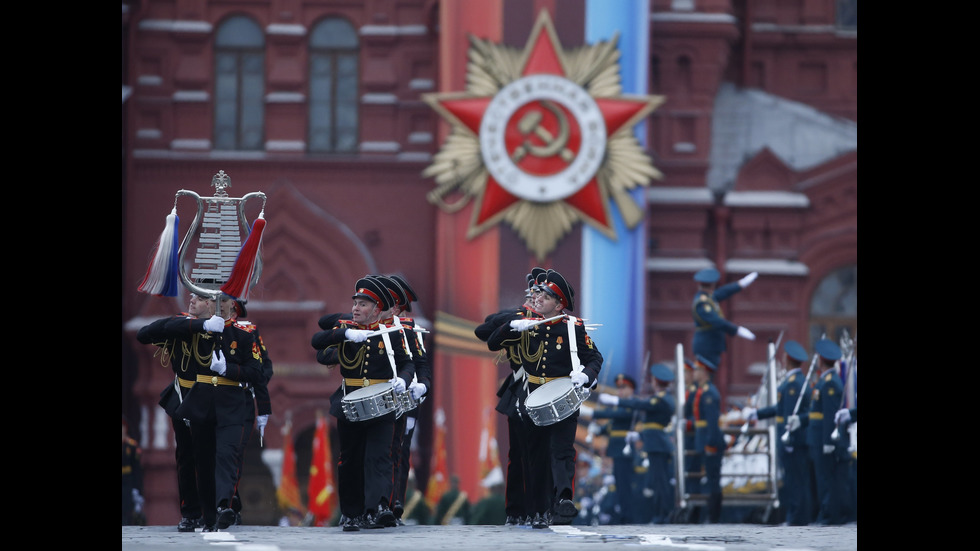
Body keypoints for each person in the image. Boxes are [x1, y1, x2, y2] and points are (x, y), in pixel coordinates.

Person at [487, 269, 603, 529]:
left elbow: (595, 358)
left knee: (562, 451)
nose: (539, 298)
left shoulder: (574, 329)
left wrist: (586, 375)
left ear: (559, 304)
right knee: (535, 456)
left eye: (547, 296)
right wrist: (510, 327)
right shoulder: (527, 326)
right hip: (532, 399)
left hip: (563, 398)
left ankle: (563, 500)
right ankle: (540, 510)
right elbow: (493, 343)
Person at [310, 276, 416, 531]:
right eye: (355, 303)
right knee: (350, 459)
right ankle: (351, 512)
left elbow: (408, 362)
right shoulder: (345, 328)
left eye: (363, 304)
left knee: (380, 457)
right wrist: (345, 333)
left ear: (377, 310)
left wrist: (403, 380)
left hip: (383, 404)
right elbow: (317, 341)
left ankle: (378, 508)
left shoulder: (392, 332)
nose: (356, 308)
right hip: (350, 404)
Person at [136, 290, 221, 532]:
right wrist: (193, 324)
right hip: (182, 398)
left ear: (210, 304)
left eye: (198, 298)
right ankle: (190, 513)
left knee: (208, 459)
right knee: (185, 458)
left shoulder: (219, 328)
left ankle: (211, 513)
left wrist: (207, 327)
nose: (191, 300)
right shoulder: (182, 324)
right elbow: (144, 334)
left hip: (208, 400)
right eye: (191, 296)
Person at [474, 268, 545, 526]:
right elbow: (484, 332)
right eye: (535, 294)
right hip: (520, 388)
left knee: (544, 454)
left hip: (548, 390)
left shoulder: (558, 321)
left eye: (544, 295)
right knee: (518, 453)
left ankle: (542, 509)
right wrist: (512, 321)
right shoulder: (518, 316)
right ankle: (516, 510)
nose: (538, 299)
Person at [374, 274, 431, 526]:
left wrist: (421, 387)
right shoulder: (363, 327)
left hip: (402, 401)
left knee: (398, 452)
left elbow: (421, 367)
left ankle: (393, 502)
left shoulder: (410, 331)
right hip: (372, 399)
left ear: (396, 307)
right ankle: (367, 504)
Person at [742, 340, 813, 525]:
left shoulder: (793, 383)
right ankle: (796, 516)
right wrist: (757, 413)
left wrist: (789, 442)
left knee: (795, 480)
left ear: (788, 360)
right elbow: (778, 408)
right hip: (791, 439)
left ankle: (796, 517)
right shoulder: (794, 381)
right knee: (793, 480)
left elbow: (789, 415)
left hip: (792, 440)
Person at [227, 298, 274, 526]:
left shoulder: (247, 332)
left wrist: (261, 400)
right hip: (203, 400)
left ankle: (227, 502)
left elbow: (263, 368)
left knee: (231, 453)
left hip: (238, 400)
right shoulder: (200, 328)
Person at [801, 338, 849, 525]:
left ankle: (828, 515)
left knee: (825, 480)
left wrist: (829, 441)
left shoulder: (830, 383)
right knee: (821, 479)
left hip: (823, 439)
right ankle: (824, 513)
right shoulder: (825, 381)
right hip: (817, 438)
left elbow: (830, 415)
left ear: (821, 359)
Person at [627, 363, 677, 524]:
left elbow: (643, 405)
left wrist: (620, 400)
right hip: (655, 444)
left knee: (660, 481)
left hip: (658, 444)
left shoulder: (662, 400)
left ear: (656, 381)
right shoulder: (659, 398)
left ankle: (664, 513)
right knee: (657, 480)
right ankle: (660, 513)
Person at [594, 374, 640, 524]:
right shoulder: (620, 405)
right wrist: (598, 430)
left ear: (632, 389)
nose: (620, 391)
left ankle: (629, 515)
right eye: (619, 388)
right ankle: (623, 513)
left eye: (624, 387)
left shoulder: (632, 404)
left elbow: (617, 416)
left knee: (625, 485)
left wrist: (595, 413)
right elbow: (612, 424)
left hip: (624, 449)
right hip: (616, 449)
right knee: (619, 484)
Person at [691, 268, 757, 370]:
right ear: (713, 284)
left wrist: (741, 284)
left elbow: (723, 292)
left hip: (711, 345)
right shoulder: (702, 302)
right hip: (707, 346)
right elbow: (716, 321)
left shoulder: (707, 297)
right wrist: (737, 330)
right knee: (705, 377)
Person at [685, 354, 725, 523]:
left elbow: (712, 422)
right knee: (708, 478)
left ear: (705, 372)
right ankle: (708, 514)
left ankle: (713, 516)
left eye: (698, 370)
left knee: (713, 479)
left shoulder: (709, 393)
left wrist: (710, 444)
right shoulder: (702, 390)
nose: (695, 373)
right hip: (703, 439)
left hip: (710, 441)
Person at [122, 415, 145, 526]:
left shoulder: (131, 446)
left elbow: (136, 469)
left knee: (126, 506)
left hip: (127, 480)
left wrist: (137, 489)